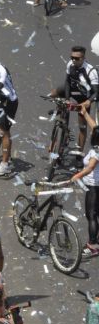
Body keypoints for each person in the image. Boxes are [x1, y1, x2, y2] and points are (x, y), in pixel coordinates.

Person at [69, 103, 99, 257]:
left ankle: (93, 245)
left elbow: (90, 168)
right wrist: (85, 113)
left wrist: (77, 175)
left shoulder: (97, 151)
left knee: (91, 215)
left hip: (94, 186)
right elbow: (94, 126)